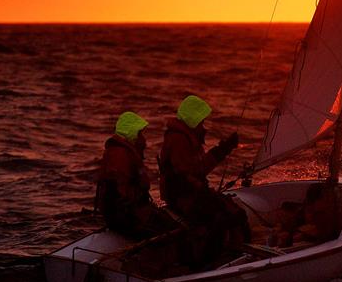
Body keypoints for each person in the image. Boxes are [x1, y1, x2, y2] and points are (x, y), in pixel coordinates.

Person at [158, 95, 249, 267]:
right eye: (201, 121)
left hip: (191, 193)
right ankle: (207, 263)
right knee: (221, 217)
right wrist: (223, 149)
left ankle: (232, 252)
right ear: (193, 120)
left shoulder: (185, 136)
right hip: (183, 197)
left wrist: (224, 148)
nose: (203, 125)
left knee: (235, 213)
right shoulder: (179, 140)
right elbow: (195, 170)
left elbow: (198, 169)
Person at [94, 111, 180, 240]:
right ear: (132, 134)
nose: (143, 139)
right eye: (140, 133)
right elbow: (119, 196)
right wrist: (139, 214)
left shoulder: (121, 153)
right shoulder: (120, 156)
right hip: (128, 217)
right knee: (173, 230)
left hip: (132, 213)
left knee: (170, 221)